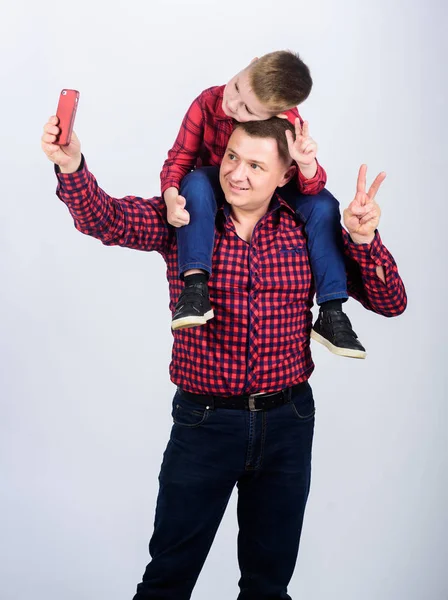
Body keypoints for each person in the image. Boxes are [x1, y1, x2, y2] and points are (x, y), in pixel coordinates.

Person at [41, 115, 407, 600]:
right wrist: (72, 166)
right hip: (204, 423)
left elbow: (391, 302)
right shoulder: (187, 215)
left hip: (288, 422)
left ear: (284, 176)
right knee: (166, 581)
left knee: (268, 586)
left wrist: (362, 240)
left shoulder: (308, 228)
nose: (237, 173)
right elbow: (105, 218)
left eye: (256, 165)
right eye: (232, 157)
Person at [163, 50, 367, 359]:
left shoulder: (290, 126)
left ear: (279, 115)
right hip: (217, 185)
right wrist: (169, 195)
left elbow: (310, 186)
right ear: (251, 63)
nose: (231, 104)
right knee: (194, 183)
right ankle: (194, 289)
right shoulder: (207, 102)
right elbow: (179, 160)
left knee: (325, 204)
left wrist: (306, 163)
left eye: (246, 109)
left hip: (267, 189)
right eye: (235, 87)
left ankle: (332, 311)